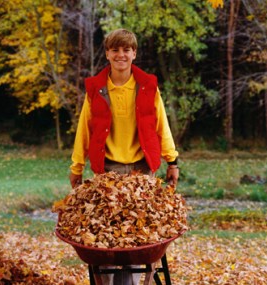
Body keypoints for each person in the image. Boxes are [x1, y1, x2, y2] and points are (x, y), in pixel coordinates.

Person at [68, 28, 179, 285]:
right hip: (107, 170)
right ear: (107, 53)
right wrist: (76, 166)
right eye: (115, 50)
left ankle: (132, 281)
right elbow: (84, 129)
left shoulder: (147, 86)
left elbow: (162, 124)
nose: (121, 55)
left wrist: (172, 160)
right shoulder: (96, 88)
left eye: (126, 50)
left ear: (134, 53)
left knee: (139, 235)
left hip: (142, 170)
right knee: (104, 237)